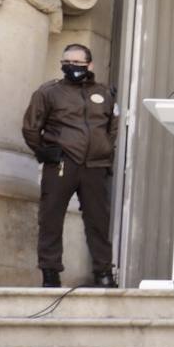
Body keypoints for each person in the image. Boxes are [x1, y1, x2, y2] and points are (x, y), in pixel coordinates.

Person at [21, 43, 118, 288]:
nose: (72, 67)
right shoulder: (49, 92)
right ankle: (50, 272)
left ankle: (104, 273)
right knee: (51, 218)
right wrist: (45, 151)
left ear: (90, 65)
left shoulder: (104, 93)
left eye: (77, 63)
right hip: (62, 164)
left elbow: (112, 127)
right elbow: (31, 126)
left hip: (95, 166)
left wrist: (105, 148)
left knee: (98, 221)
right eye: (67, 62)